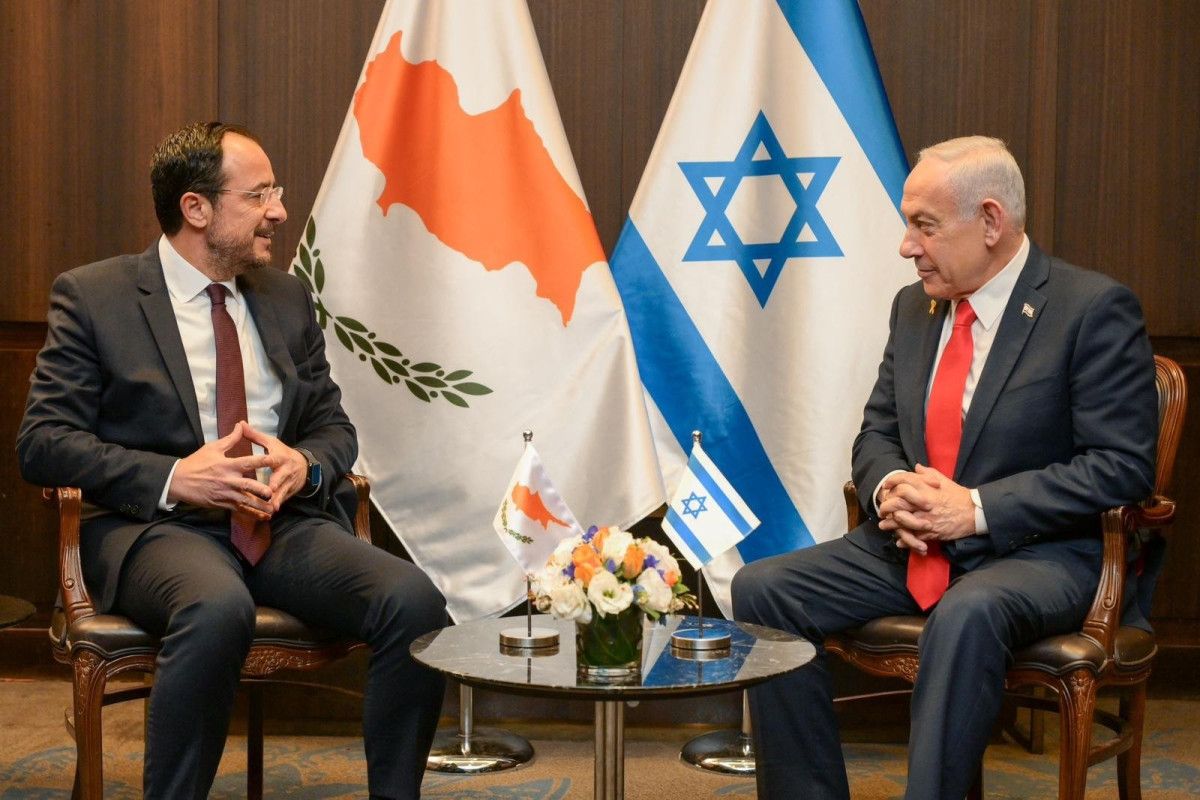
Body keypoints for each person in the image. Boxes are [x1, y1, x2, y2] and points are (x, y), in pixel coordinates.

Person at [17, 121, 447, 800]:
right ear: (196, 208)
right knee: (216, 608)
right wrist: (174, 477)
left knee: (415, 601)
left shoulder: (284, 297)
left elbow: (334, 427)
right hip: (158, 530)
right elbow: (42, 442)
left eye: (275, 193)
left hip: (282, 525)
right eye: (259, 195)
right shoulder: (95, 298)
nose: (278, 211)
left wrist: (305, 464)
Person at [731, 136, 1158, 800]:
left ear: (990, 221)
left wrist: (976, 510)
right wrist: (889, 487)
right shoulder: (915, 307)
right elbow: (877, 430)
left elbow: (1121, 467)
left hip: (1040, 553)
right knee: (764, 588)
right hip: (914, 546)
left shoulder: (1090, 310)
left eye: (924, 225)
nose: (907, 246)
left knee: (967, 612)